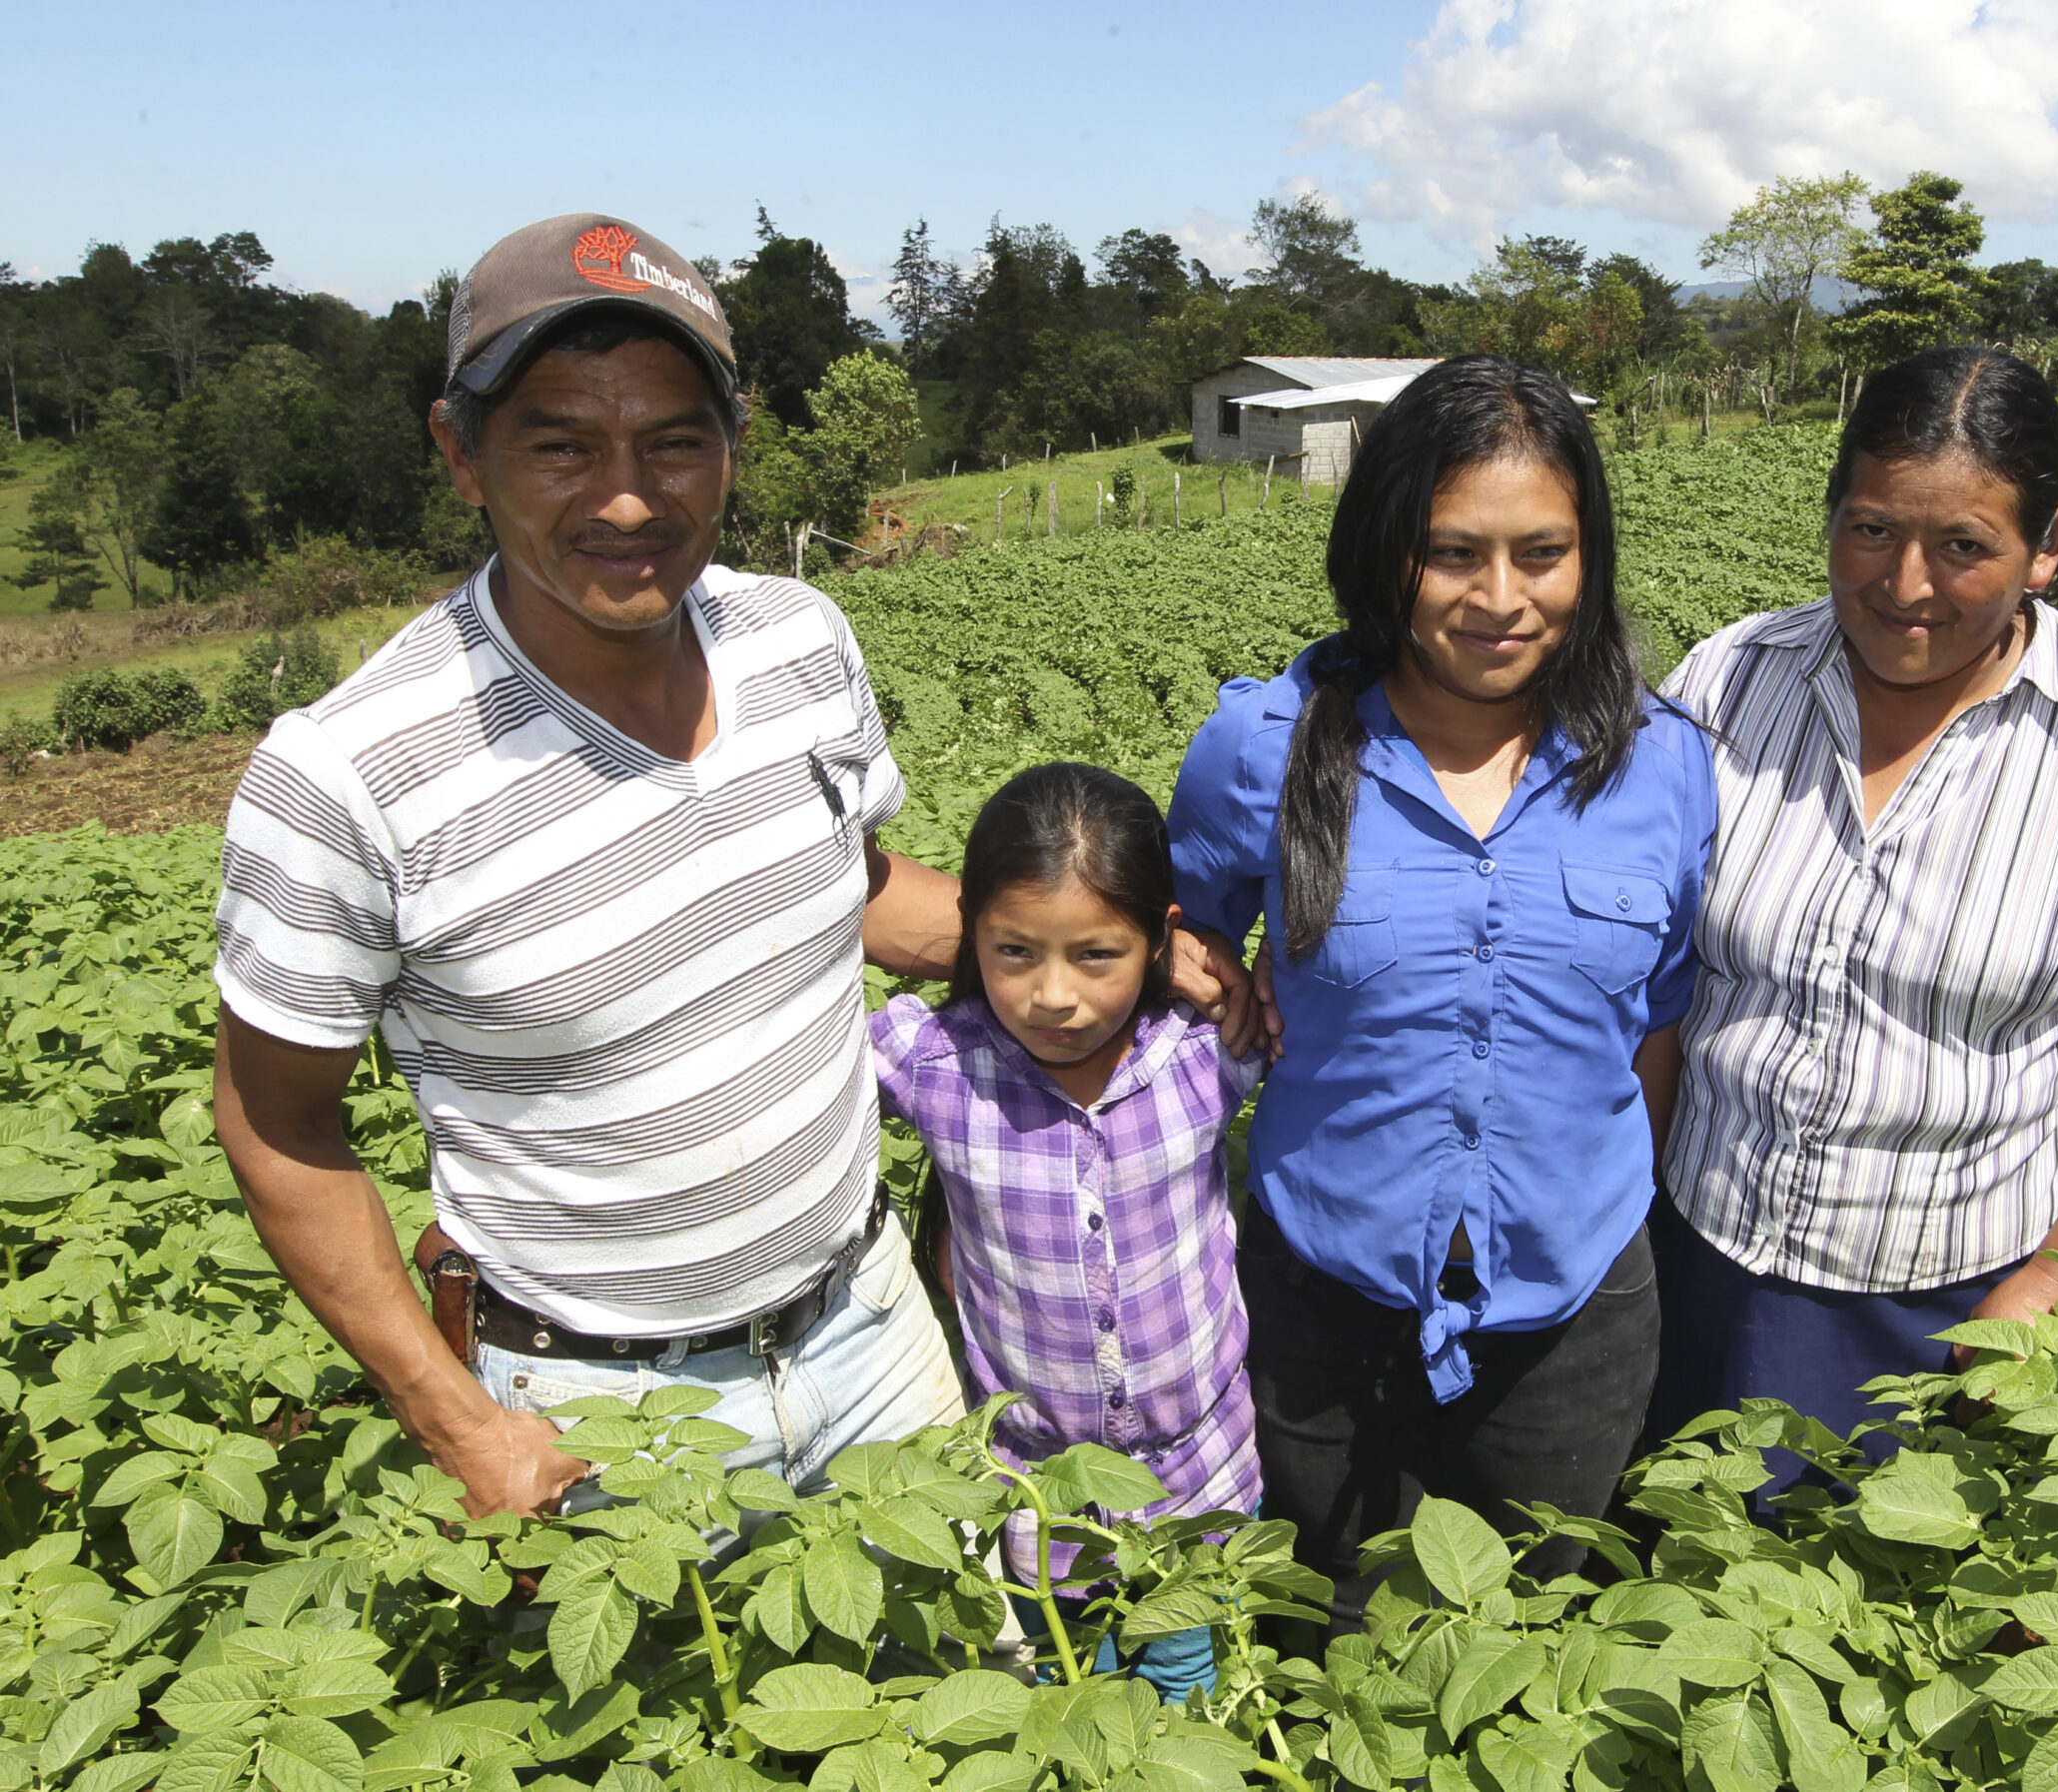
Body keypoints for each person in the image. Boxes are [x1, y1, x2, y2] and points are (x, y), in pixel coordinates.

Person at [211, 213, 1254, 1520]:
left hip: (877, 1337)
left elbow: (856, 885)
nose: (629, 497)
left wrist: (1132, 961)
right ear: (461, 454)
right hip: (603, 1410)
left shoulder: (799, 641)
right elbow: (276, 1120)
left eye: (673, 441)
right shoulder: (349, 771)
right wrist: (460, 1423)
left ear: (733, 445)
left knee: (966, 1705)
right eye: (560, 445)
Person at [1649, 345, 2058, 1467]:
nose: (1903, 588)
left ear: (2048, 547)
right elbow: (1635, 962)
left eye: (1962, 548)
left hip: (1950, 1306)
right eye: (1871, 530)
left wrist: (2052, 1285)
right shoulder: (1729, 677)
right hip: (1689, 1255)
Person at [1168, 356, 1715, 1628]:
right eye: (1453, 553)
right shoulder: (1266, 744)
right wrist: (1197, 967)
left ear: (1591, 556)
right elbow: (1179, 919)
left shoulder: (1664, 768)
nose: (1502, 599)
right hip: (1322, 1305)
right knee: (1341, 1642)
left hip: (1573, 1313)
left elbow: (1657, 1027)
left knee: (1524, 1650)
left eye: (1543, 553)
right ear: (1385, 549)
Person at [871, 762, 1261, 1700]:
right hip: (1040, 1500)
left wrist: (1224, 970)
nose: (1054, 996)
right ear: (970, 934)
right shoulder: (934, 1063)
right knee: (1064, 1700)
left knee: (1186, 1700)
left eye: (1097, 955)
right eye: (1014, 954)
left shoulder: (1210, 1056)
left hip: (1194, 1481)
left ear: (1160, 942)